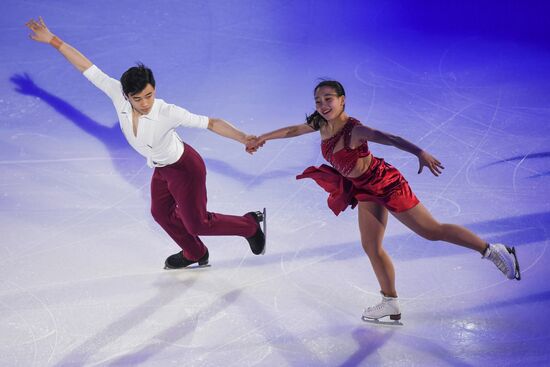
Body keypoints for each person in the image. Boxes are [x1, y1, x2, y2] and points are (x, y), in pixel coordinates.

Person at [246, 80, 520, 321]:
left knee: (431, 231)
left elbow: (390, 138)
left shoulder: (355, 130)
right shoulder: (321, 123)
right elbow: (294, 130)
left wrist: (419, 152)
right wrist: (262, 138)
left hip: (386, 184)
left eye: (328, 99)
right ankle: (390, 303)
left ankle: (494, 251)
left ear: (342, 100)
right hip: (364, 190)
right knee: (371, 246)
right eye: (318, 101)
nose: (322, 105)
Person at [25, 17, 266, 269]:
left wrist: (243, 137)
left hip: (185, 168)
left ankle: (249, 225)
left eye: (149, 95)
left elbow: (212, 123)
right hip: (161, 169)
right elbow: (87, 68)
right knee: (160, 213)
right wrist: (52, 40)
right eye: (138, 98)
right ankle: (195, 252)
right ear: (127, 96)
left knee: (197, 224)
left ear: (155, 89)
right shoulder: (118, 95)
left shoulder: (167, 111)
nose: (145, 102)